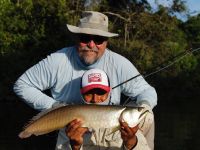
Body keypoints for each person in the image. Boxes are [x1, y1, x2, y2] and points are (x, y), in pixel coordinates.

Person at [13, 11, 157, 149]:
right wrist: (56, 107)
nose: (91, 44)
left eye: (99, 39)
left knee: (147, 115)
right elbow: (22, 85)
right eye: (85, 38)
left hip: (108, 128)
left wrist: (144, 106)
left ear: (106, 42)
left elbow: (147, 91)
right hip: (68, 128)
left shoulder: (119, 63)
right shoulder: (57, 60)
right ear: (77, 38)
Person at [63, 68, 154, 150]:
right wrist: (75, 147)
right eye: (89, 93)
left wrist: (130, 141)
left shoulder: (129, 127)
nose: (95, 99)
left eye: (100, 92)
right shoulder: (69, 124)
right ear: (81, 94)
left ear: (108, 93)